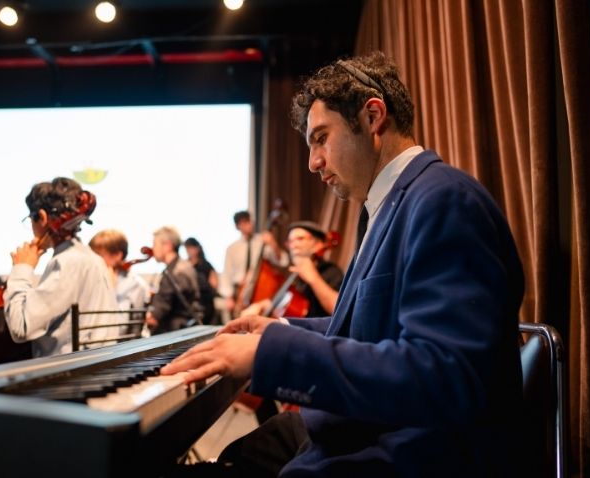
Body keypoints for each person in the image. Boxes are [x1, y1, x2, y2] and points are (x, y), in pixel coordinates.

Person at [161, 51, 525, 477]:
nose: (313, 162)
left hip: (405, 452)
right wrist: (282, 328)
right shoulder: (392, 205)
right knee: (243, 450)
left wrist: (271, 353)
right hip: (364, 430)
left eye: (321, 138)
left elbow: (446, 376)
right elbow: (372, 331)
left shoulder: (444, 199)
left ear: (372, 117)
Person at [3, 177, 119, 357]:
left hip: (69, 369)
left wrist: (22, 268)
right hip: (96, 363)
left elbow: (21, 327)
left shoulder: (67, 262)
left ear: (42, 217)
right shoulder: (92, 258)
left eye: (31, 219)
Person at [241, 221, 343, 318]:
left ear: (318, 244)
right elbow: (284, 302)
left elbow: (339, 309)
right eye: (290, 241)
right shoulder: (295, 274)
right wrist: (260, 305)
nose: (293, 245)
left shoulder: (331, 272)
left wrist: (314, 278)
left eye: (300, 239)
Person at [218, 210, 289, 317]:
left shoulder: (262, 241)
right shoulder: (232, 248)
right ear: (237, 226)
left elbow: (283, 261)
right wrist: (228, 297)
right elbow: (226, 273)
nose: (248, 224)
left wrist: (273, 243)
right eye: (244, 222)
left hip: (260, 290)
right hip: (240, 292)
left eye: (249, 221)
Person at [146, 226, 202, 334]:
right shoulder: (184, 266)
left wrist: (152, 317)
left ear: (167, 245)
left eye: (155, 244)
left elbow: (162, 304)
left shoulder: (176, 271)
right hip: (185, 329)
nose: (153, 249)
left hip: (175, 332)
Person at [89, 229, 151, 311]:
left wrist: (111, 287)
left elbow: (122, 317)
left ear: (118, 255)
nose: (94, 260)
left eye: (99, 255)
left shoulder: (135, 285)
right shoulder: (93, 278)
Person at [184, 237, 220, 325]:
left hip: (205, 302)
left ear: (197, 248)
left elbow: (215, 284)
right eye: (187, 248)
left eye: (191, 248)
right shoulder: (185, 265)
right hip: (190, 302)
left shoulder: (206, 265)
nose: (189, 251)